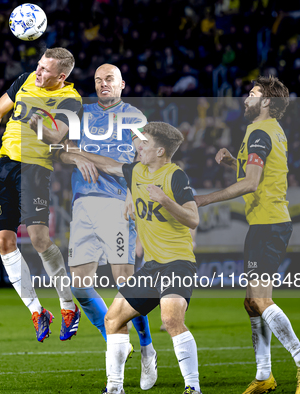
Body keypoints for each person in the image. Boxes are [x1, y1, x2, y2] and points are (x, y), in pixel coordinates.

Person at [194, 76, 300, 394]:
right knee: (252, 303)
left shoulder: (260, 132)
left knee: (260, 300)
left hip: (269, 224)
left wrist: (205, 199)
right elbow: (263, 174)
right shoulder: (268, 131)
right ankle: (264, 375)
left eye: (251, 94)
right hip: (264, 223)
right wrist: (232, 162)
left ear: (265, 102)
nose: (245, 98)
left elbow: (251, 183)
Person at [71, 122, 202, 394]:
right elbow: (107, 164)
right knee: (113, 319)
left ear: (161, 151)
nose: (139, 147)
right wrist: (77, 151)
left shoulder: (176, 176)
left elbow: (193, 218)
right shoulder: (136, 171)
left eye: (145, 144)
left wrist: (165, 200)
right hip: (153, 266)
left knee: (171, 321)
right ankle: (115, 388)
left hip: (178, 263)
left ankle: (193, 388)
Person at [55, 64, 157, 390]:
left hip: (118, 207)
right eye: (98, 80)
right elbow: (61, 152)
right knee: (80, 287)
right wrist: (75, 157)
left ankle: (144, 349)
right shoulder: (81, 115)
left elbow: (143, 164)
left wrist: (131, 191)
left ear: (122, 84)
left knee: (126, 287)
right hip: (83, 205)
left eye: (109, 79)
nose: (103, 85)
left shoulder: (135, 118)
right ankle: (117, 340)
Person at [0, 47, 82, 342]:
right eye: (38, 66)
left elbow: (58, 136)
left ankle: (67, 305)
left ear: (61, 76)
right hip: (6, 167)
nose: (38, 72)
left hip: (36, 170)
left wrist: (39, 128)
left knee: (38, 239)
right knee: (3, 241)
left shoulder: (71, 100)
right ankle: (37, 310)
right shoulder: (23, 80)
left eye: (45, 70)